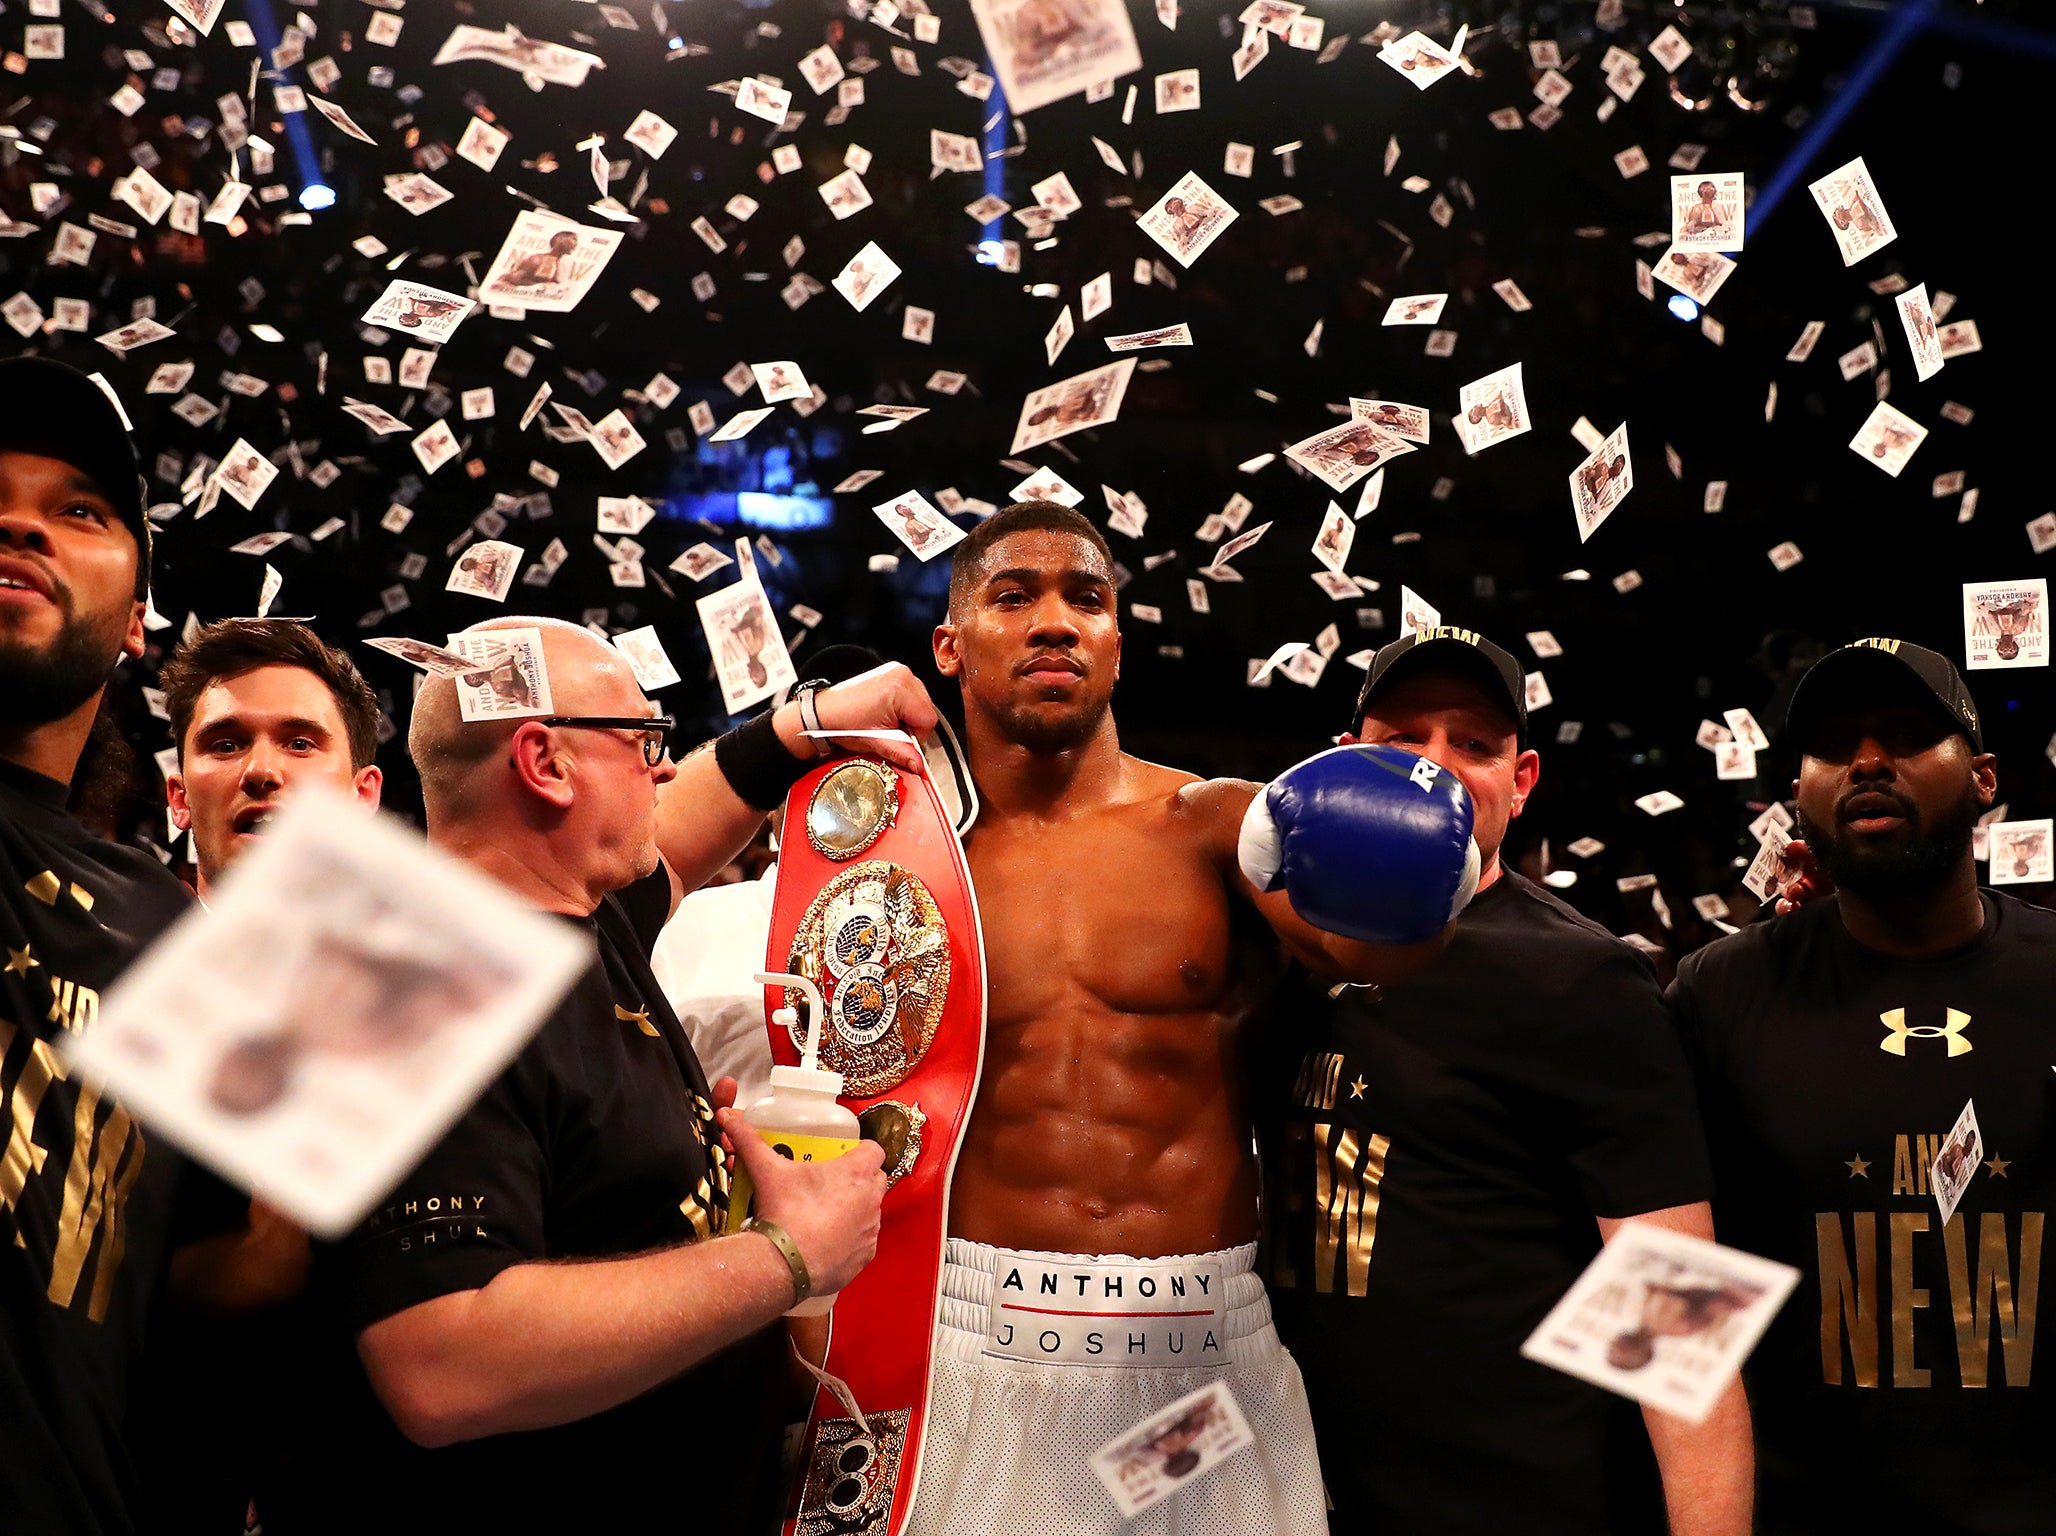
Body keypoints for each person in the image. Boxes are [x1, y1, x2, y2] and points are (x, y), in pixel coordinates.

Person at [906, 501, 1480, 1536]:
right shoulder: (907, 860)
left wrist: (1425, 871)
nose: (1054, 621)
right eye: (1013, 595)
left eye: (1086, 598)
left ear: (1117, 645)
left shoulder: (1217, 824)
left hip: (1197, 1359)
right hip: (975, 1334)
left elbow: (1376, 954)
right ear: (950, 646)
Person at [317, 616, 933, 1532]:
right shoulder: (423, 990)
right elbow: (439, 1363)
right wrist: (784, 1256)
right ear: (546, 763)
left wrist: (804, 726)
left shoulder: (573, 923)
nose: (666, 767)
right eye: (644, 739)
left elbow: (678, 835)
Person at [1258, 627, 1751, 1536]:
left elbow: (1681, 1321)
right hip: (1290, 1494)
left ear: (1520, 784)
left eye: (1473, 745)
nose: (1434, 768)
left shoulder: (1581, 979)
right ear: (1341, 758)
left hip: (1512, 1501)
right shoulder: (1273, 947)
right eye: (1404, 738)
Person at [1669, 636, 2056, 1536]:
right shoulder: (1717, 992)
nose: (1868, 761)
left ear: (1986, 777)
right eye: (1835, 744)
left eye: (1908, 736)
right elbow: (1667, 1272)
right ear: (1794, 794)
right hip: (1797, 1511)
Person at [0, 355, 199, 1534]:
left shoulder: (173, 938)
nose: (19, 519)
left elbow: (213, 1279)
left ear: (136, 623)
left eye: (77, 509)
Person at [141, 618, 386, 1532]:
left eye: (298, 740)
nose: (261, 768)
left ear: (364, 794)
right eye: (225, 742)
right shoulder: (106, 977)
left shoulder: (435, 990)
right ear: (178, 794)